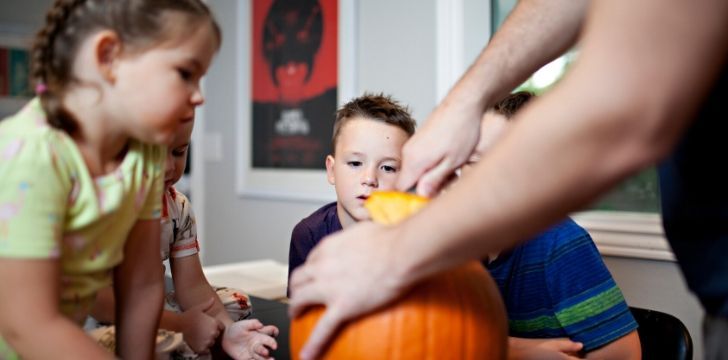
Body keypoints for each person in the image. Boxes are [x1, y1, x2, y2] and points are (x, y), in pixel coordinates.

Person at [287, 0, 728, 359]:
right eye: (464, 165)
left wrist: (404, 247)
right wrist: (467, 99)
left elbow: (623, 108)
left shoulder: (554, 245)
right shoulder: (459, 255)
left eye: (492, 167)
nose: (462, 182)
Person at [0, 1, 221, 358]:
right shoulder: (33, 155)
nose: (199, 96)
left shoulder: (146, 155)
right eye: (185, 73)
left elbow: (142, 284)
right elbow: (25, 324)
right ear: (109, 56)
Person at [461, 92, 639, 359]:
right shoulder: (461, 248)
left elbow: (625, 356)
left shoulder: (559, 243)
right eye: (472, 162)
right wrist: (516, 349)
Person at [89, 119, 279, 359]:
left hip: (153, 307)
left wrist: (228, 329)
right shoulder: (99, 208)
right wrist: (180, 325)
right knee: (149, 345)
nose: (169, 166)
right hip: (103, 317)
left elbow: (193, 286)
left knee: (237, 302)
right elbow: (99, 302)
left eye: (179, 152)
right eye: (156, 153)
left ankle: (195, 336)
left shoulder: (178, 206)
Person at [287, 93, 416, 294]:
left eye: (388, 168)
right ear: (332, 171)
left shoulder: (420, 236)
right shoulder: (309, 235)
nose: (370, 178)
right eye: (355, 163)